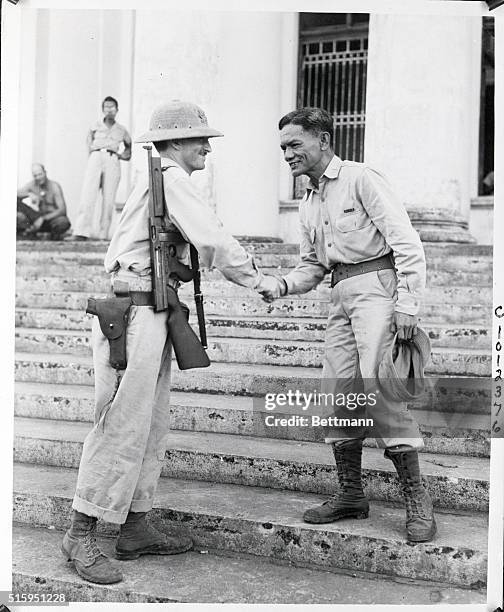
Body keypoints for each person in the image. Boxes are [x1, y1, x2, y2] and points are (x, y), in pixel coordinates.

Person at [61, 100, 279, 584]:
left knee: (150, 423)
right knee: (120, 423)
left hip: (151, 309)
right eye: (199, 138)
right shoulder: (173, 179)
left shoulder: (162, 178)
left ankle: (134, 526)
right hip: (134, 311)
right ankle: (80, 534)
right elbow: (214, 240)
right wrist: (258, 279)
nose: (206, 146)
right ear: (175, 143)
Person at [260, 107, 436, 543]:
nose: (287, 154)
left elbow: (407, 243)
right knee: (337, 393)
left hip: (377, 287)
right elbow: (311, 266)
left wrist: (408, 304)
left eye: (295, 144)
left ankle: (418, 502)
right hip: (339, 294)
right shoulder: (309, 199)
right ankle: (351, 495)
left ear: (323, 140)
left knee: (380, 392)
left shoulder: (361, 179)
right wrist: (280, 285)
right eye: (283, 147)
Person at [67, 96, 132, 241]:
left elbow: (129, 148)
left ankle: (104, 234)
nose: (109, 110)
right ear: (103, 109)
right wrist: (93, 155)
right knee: (88, 194)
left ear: (117, 110)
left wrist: (120, 156)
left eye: (112, 107)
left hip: (112, 159)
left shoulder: (121, 130)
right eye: (107, 107)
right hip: (96, 157)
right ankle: (81, 232)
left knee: (109, 198)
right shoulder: (95, 126)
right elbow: (88, 143)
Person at [16, 163, 71, 240]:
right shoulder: (32, 185)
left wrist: (43, 218)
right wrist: (28, 194)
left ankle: (53, 237)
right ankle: (28, 233)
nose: (38, 177)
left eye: (40, 174)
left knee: (63, 222)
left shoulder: (54, 186)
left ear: (45, 173)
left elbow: (62, 210)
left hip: (50, 220)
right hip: (35, 220)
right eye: (35, 176)